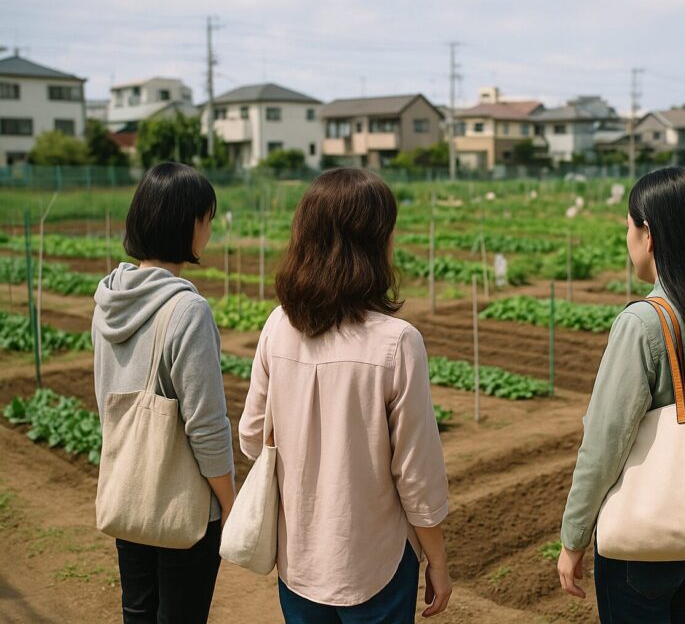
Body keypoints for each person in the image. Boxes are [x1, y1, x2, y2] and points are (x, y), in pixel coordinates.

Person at [239, 167, 452, 623]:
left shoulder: (279, 326)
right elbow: (416, 474)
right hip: (376, 562)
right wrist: (437, 559)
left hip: (298, 557)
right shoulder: (397, 341)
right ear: (375, 243)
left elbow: (253, 436)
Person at [557, 167, 685, 623]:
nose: (627, 237)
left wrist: (574, 538)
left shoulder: (645, 322)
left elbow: (605, 441)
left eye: (628, 225)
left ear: (648, 233)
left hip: (644, 544)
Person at [92, 162, 236, 623]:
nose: (209, 229)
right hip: (182, 510)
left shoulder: (107, 300)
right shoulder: (186, 309)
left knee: (139, 614)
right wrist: (231, 505)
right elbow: (207, 426)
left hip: (129, 493)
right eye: (207, 218)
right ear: (188, 223)